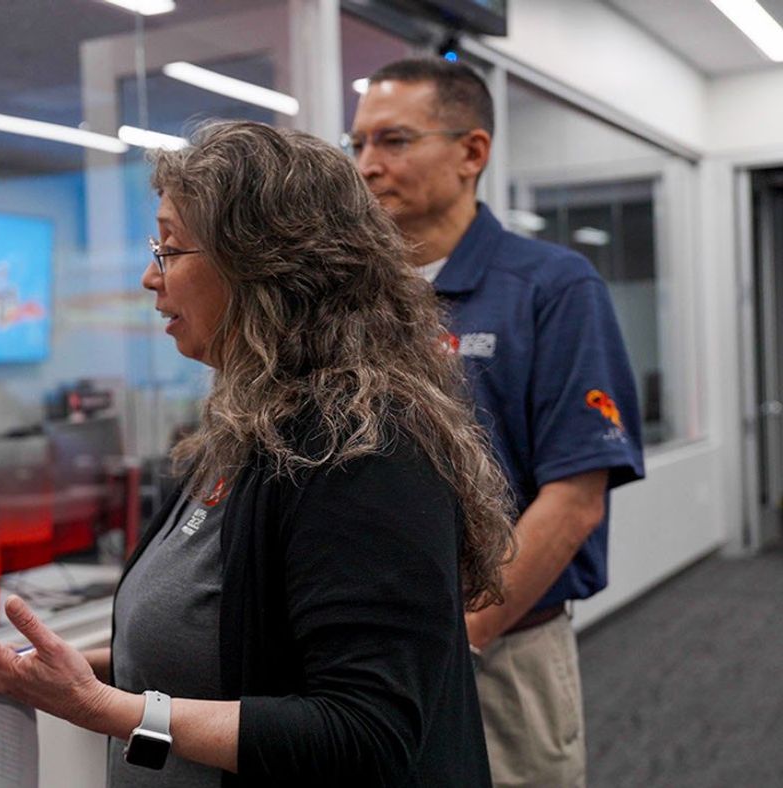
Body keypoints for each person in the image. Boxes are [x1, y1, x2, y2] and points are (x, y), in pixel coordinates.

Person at [0, 119, 516, 786]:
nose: (148, 278)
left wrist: (111, 710)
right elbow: (229, 649)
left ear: (262, 264)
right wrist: (66, 674)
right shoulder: (250, 425)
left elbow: (366, 730)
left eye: (171, 251)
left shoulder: (364, 447)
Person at [349, 58, 647, 787]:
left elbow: (575, 498)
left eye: (393, 141)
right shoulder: (352, 298)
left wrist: (461, 638)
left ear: (471, 153)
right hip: (362, 657)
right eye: (356, 145)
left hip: (499, 651)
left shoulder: (551, 286)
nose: (366, 167)